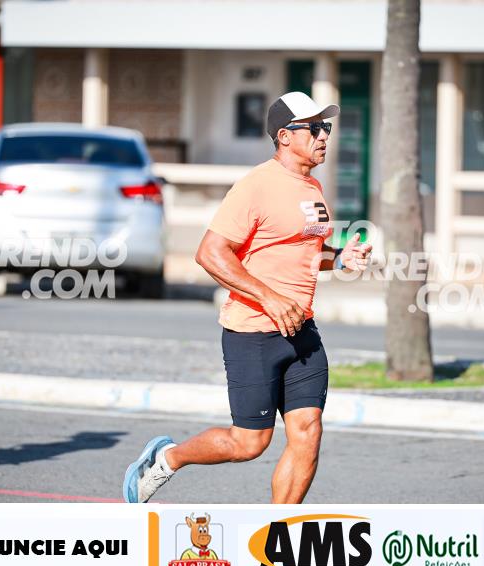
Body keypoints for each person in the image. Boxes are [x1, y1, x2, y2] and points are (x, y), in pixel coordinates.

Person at [124, 91, 372, 504]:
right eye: (313, 128)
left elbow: (307, 252)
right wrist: (270, 298)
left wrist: (341, 258)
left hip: (302, 330)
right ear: (284, 136)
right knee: (248, 442)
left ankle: (276, 532)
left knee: (308, 432)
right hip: (253, 333)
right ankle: (167, 459)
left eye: (325, 127)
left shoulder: (312, 187)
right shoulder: (255, 186)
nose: (323, 136)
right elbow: (210, 253)